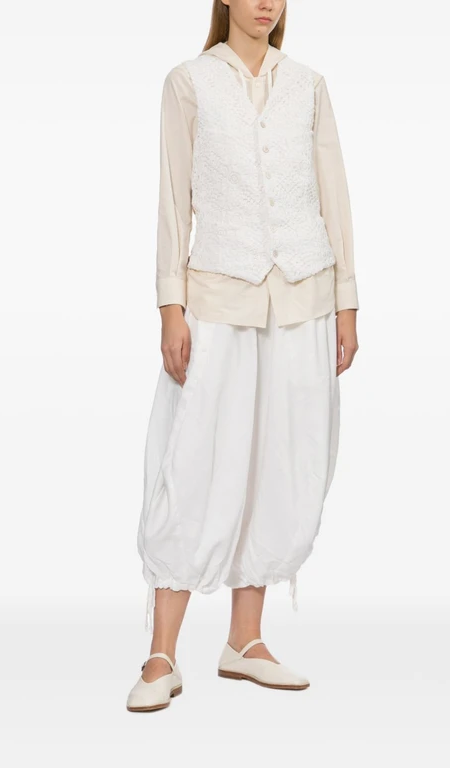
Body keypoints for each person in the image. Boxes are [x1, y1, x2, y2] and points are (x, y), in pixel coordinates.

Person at [127, 0, 360, 712]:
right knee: (195, 462)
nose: (267, 3)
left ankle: (245, 641)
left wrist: (347, 301)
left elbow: (334, 196)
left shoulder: (309, 85)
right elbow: (174, 201)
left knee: (280, 463)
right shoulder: (189, 82)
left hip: (304, 298)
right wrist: (170, 304)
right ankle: (161, 654)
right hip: (218, 298)